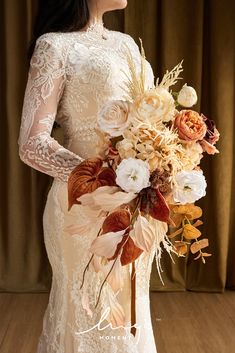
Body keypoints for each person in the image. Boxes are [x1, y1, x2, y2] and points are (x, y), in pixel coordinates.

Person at [18, 0, 157, 352]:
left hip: (137, 207)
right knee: (86, 312)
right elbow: (32, 142)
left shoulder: (126, 43)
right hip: (81, 206)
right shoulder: (55, 46)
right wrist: (101, 181)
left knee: (129, 315)